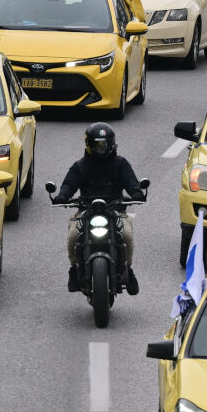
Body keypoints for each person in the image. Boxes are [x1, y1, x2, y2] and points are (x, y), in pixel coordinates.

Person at [53, 122, 142, 294]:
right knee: (73, 236)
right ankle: (74, 269)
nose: (102, 149)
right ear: (89, 145)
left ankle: (127, 269)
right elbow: (69, 184)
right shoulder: (80, 166)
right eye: (98, 145)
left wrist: (136, 192)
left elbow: (131, 182)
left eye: (105, 144)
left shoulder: (120, 164)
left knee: (127, 235)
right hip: (86, 210)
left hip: (115, 210)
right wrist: (62, 195)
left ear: (112, 143)